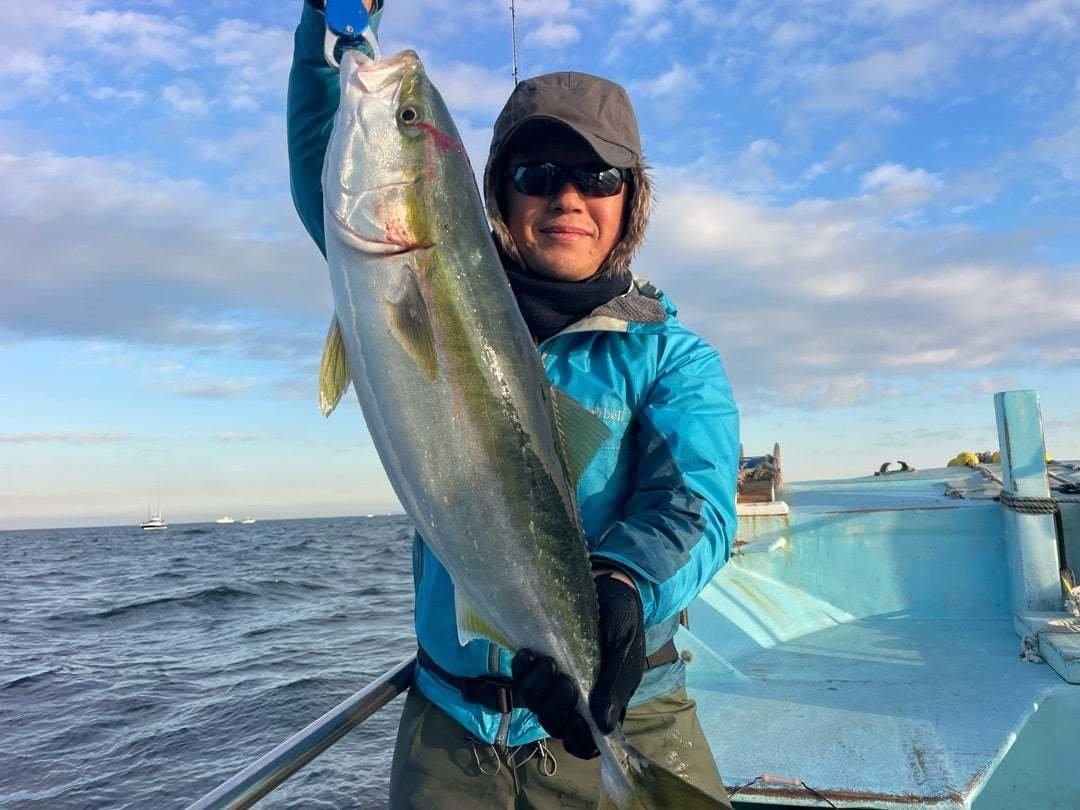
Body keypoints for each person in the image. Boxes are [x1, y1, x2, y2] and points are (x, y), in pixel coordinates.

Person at [288, 2, 740, 807]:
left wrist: (623, 588)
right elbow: (333, 156)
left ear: (631, 200)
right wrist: (328, 23)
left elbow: (695, 505)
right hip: (451, 725)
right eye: (536, 175)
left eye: (597, 177)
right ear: (495, 193)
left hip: (628, 705)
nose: (567, 197)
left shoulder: (672, 357)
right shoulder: (409, 277)